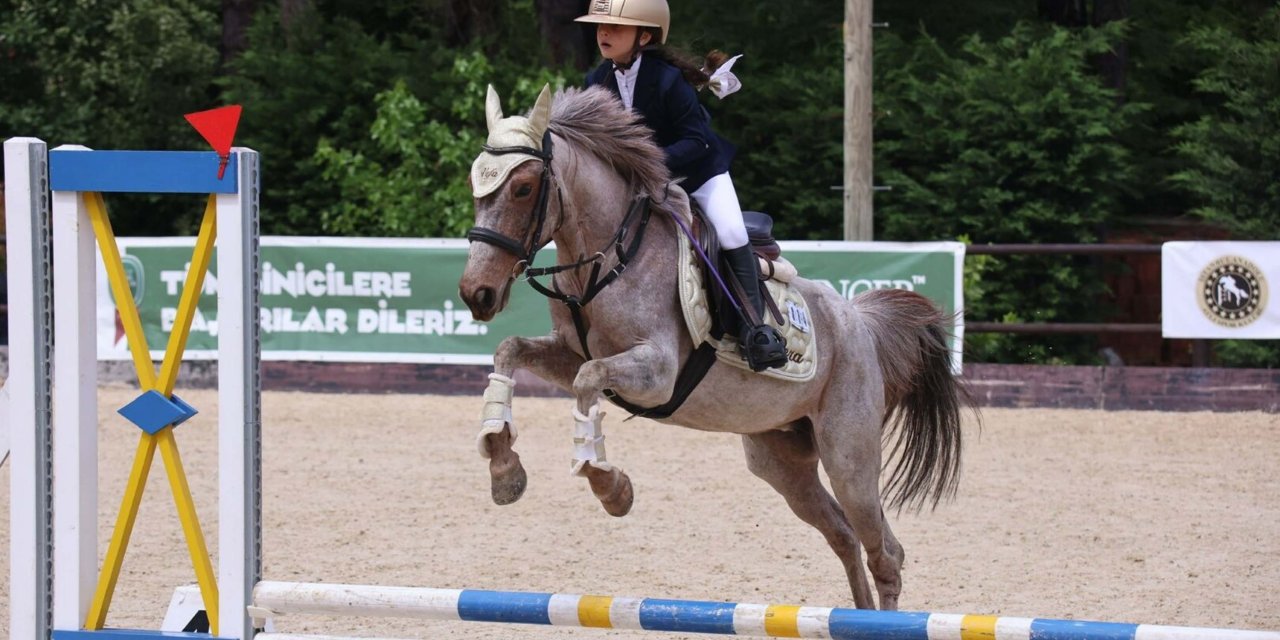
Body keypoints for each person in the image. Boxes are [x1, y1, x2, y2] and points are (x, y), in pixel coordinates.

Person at [575, 0, 787, 372]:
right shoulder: (597, 82)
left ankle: (757, 330)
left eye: (615, 28)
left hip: (698, 173)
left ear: (645, 35)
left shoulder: (669, 80)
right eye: (600, 27)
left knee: (731, 231)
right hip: (639, 185)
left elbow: (697, 141)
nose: (604, 34)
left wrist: (646, 165)